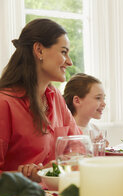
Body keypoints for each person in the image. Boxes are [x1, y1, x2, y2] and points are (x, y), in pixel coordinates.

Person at [0, 19, 81, 181]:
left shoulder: (55, 96)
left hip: (54, 194)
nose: (70, 62)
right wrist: (26, 177)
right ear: (39, 50)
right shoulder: (4, 103)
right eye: (63, 52)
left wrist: (60, 165)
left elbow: (80, 146)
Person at [63, 73, 106, 140]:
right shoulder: (66, 134)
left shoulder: (96, 130)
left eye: (104, 98)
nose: (104, 104)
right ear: (77, 101)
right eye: (98, 98)